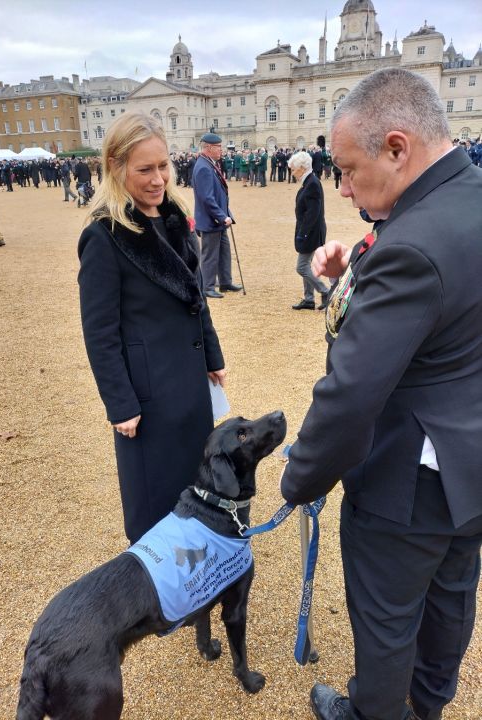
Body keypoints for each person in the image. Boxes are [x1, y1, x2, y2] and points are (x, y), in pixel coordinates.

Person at [280, 67, 482, 720]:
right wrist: (355, 269)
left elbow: (350, 396)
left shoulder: (414, 244)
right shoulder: (465, 198)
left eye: (346, 168)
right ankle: (428, 706)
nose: (340, 186)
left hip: (406, 480)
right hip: (469, 463)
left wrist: (299, 479)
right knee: (450, 599)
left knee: (386, 622)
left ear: (398, 148)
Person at [77, 112, 226, 545]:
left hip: (190, 383)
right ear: (116, 167)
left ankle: (194, 576)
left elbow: (195, 296)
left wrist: (213, 356)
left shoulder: (175, 217)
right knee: (154, 502)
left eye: (163, 165)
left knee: (194, 491)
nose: (159, 178)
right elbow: (99, 332)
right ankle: (155, 596)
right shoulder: (104, 236)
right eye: (145, 169)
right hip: (148, 395)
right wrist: (120, 403)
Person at [192, 131, 242, 299]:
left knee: (224, 252)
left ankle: (225, 282)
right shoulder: (203, 167)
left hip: (218, 220)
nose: (222, 150)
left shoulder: (209, 164)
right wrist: (221, 216)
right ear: (208, 148)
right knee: (210, 256)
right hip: (211, 221)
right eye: (218, 147)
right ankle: (207, 286)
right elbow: (207, 198)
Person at [288, 151, 329, 311]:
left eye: (293, 169)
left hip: (311, 232)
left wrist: (303, 234)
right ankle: (309, 299)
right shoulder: (309, 182)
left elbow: (313, 213)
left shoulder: (312, 183)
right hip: (309, 231)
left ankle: (325, 291)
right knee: (306, 265)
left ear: (302, 168)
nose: (292, 172)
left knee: (302, 266)